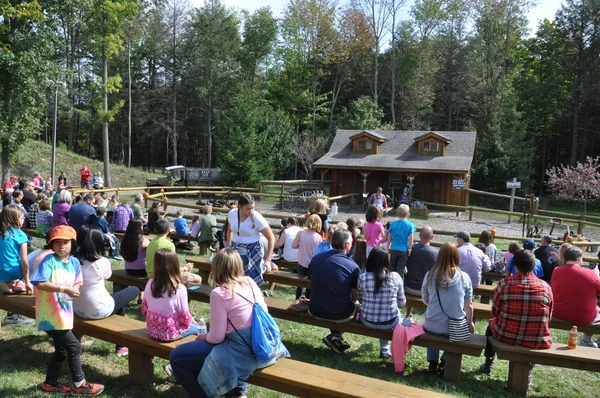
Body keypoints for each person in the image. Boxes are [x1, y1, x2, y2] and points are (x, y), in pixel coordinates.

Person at [169, 248, 290, 397]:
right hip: (266, 348)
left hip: (246, 354)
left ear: (216, 268)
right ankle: (236, 391)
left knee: (176, 357)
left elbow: (216, 338)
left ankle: (202, 394)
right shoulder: (250, 282)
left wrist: (202, 337)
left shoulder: (219, 293)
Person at [31, 225, 105, 395]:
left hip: (63, 314)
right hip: (49, 316)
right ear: (51, 245)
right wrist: (64, 290)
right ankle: (79, 384)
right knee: (74, 347)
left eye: (65, 242)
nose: (61, 246)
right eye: (57, 243)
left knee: (62, 350)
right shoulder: (49, 261)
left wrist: (75, 287)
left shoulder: (73, 262)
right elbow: (40, 283)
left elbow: (78, 280)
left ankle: (49, 384)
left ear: (73, 243)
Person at [482, 249, 553, 378]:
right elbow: (549, 317)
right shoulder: (546, 287)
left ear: (515, 265)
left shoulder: (504, 283)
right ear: (534, 265)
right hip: (537, 338)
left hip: (506, 334)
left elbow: (494, 311)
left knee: (490, 326)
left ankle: (488, 362)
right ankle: (529, 368)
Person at [72, 225, 139, 356]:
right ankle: (121, 345)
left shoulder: (72, 260)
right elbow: (107, 276)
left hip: (77, 309)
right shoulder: (102, 261)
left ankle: (78, 336)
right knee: (133, 290)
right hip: (98, 309)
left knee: (116, 300)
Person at [422, 242, 474, 375]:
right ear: (457, 257)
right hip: (454, 328)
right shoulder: (464, 277)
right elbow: (469, 305)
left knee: (433, 323)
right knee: (453, 330)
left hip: (432, 324)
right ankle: (444, 361)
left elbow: (425, 299)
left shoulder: (429, 275)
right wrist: (469, 322)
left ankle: (432, 361)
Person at [309, 229, 360, 353]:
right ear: (347, 245)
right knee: (356, 308)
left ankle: (335, 336)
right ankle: (335, 336)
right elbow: (355, 297)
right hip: (339, 313)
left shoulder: (316, 259)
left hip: (315, 307)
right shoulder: (352, 266)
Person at [358, 247, 406, 358]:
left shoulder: (363, 278)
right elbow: (402, 303)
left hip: (367, 320)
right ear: (387, 261)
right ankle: (385, 350)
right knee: (393, 313)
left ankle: (385, 350)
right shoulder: (396, 277)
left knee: (382, 312)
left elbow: (360, 299)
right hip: (390, 322)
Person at [142, 249, 199, 341]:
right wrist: (192, 321)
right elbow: (184, 316)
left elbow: (144, 309)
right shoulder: (180, 289)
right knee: (201, 329)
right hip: (170, 334)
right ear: (175, 265)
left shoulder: (150, 283)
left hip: (151, 330)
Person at [551, 246, 600, 347]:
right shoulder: (591, 274)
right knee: (597, 310)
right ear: (578, 258)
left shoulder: (556, 271)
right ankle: (586, 340)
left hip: (559, 312)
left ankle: (586, 341)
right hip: (584, 317)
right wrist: (597, 275)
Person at [227, 193, 276, 287]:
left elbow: (271, 238)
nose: (251, 211)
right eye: (248, 209)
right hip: (235, 250)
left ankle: (271, 265)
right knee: (235, 279)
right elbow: (229, 230)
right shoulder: (232, 214)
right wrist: (228, 246)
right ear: (239, 207)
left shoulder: (257, 217)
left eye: (253, 208)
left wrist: (268, 260)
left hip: (253, 251)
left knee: (251, 283)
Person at [0, 205, 35, 327]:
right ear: (14, 219)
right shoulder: (20, 234)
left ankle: (10, 284)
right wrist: (27, 281)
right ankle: (18, 283)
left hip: (2, 273)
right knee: (36, 257)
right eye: (22, 217)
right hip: (14, 272)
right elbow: (24, 261)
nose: (24, 219)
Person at [291, 214, 322, 299]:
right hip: (312, 264)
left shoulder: (301, 233)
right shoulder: (319, 237)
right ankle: (307, 301)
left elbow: (293, 245)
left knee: (300, 284)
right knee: (309, 284)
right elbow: (319, 252)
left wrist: (300, 245)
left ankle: (297, 299)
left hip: (301, 262)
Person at [405, 226, 438, 296]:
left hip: (409, 287)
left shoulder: (410, 249)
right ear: (432, 237)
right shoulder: (436, 253)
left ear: (419, 236)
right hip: (426, 290)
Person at [387, 204, 416, 278]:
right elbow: (411, 238)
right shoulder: (410, 225)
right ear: (408, 214)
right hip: (403, 250)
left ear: (397, 214)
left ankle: (391, 281)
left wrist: (388, 246)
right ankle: (399, 284)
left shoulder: (393, 224)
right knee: (400, 268)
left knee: (392, 267)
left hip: (393, 248)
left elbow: (389, 236)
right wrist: (410, 248)